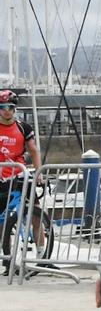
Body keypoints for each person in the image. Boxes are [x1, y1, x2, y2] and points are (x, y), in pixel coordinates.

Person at [0, 90, 42, 248]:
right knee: (3, 223)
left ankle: (42, 255)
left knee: (36, 214)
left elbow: (34, 150)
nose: (6, 110)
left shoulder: (23, 127)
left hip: (19, 175)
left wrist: (39, 173)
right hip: (1, 179)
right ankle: (7, 259)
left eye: (10, 107)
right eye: (2, 107)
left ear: (14, 108)